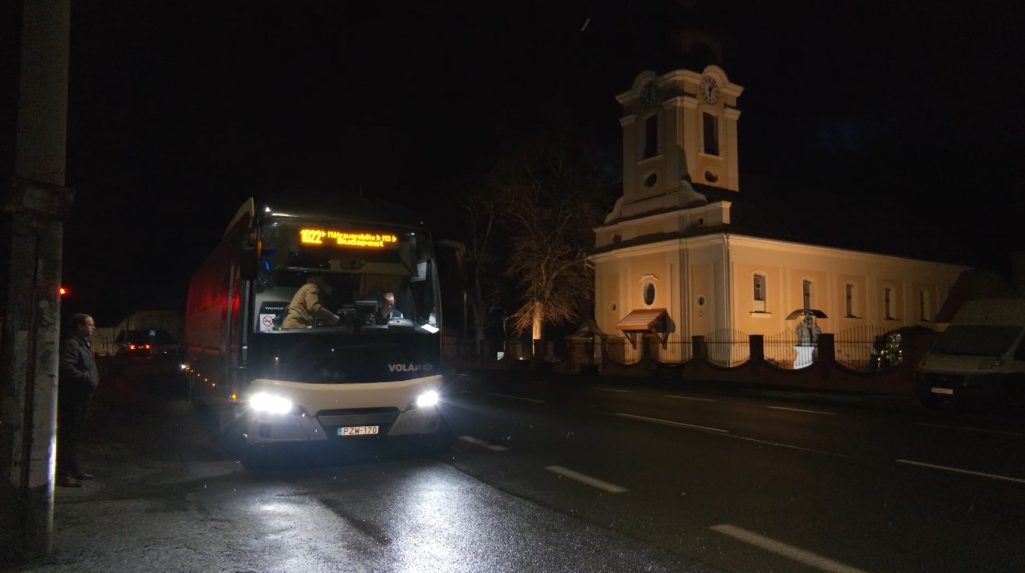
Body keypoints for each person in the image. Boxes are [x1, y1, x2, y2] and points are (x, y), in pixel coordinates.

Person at [57, 313, 100, 487]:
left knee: (74, 436)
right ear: (79, 327)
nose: (93, 328)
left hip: (81, 397)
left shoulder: (83, 344)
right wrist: (86, 378)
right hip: (72, 398)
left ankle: (73, 469)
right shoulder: (71, 345)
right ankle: (63, 474)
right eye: (90, 324)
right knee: (68, 436)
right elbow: (67, 368)